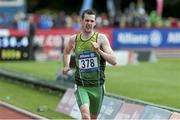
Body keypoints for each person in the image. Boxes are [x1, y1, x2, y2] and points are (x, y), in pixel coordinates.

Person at [63, 9, 116, 120]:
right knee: (85, 116)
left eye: (92, 21)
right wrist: (66, 65)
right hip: (81, 85)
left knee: (92, 118)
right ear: (81, 21)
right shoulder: (74, 40)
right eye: (86, 20)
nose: (89, 23)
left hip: (98, 86)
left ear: (95, 22)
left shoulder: (101, 38)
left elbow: (114, 61)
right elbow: (67, 51)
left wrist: (99, 51)